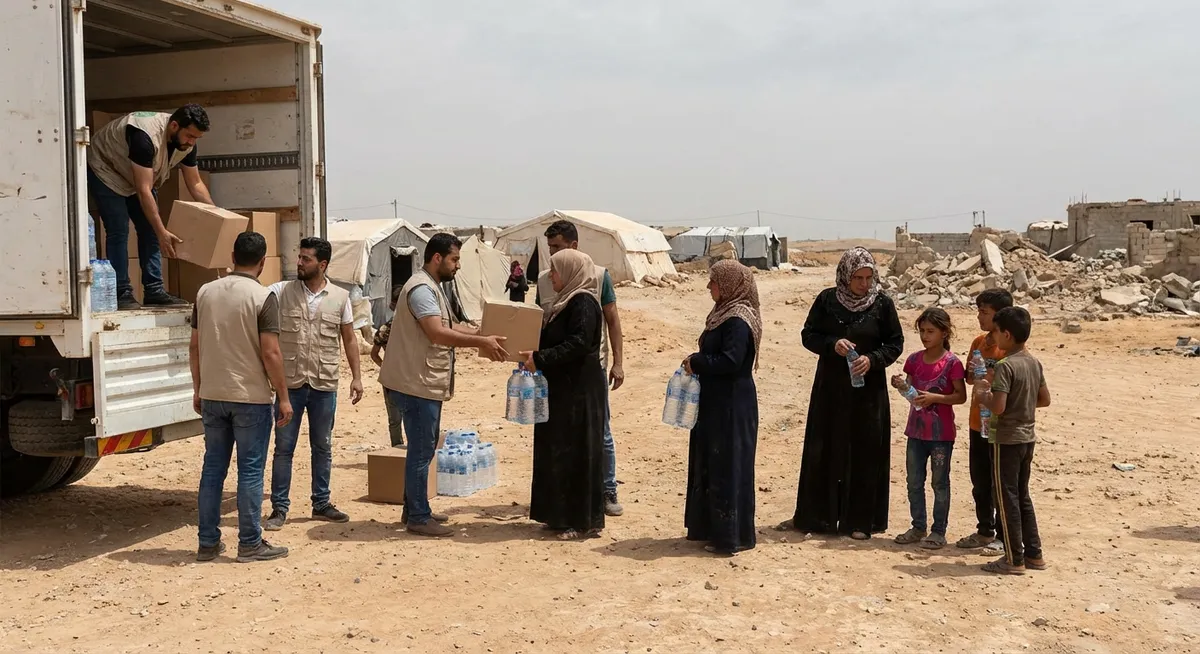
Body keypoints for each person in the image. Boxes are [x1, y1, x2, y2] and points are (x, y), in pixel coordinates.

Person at [378, 233, 508, 536]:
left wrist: (479, 332)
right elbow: (437, 333)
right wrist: (479, 342)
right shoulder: (423, 289)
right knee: (422, 451)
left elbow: (447, 326)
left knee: (421, 450)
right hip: (416, 382)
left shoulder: (431, 286)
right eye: (454, 259)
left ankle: (414, 509)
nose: (458, 266)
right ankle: (419, 518)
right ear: (437, 258)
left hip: (421, 380)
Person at [781, 247, 903, 540]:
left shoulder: (882, 305)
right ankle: (818, 517)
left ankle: (860, 521)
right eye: (858, 278)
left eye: (868, 277)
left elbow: (895, 342)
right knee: (824, 447)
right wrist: (832, 344)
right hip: (831, 390)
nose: (863, 284)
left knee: (865, 451)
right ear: (845, 276)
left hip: (868, 393)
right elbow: (808, 335)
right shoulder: (827, 300)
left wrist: (872, 360)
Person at [189, 232, 291, 563]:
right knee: (249, 471)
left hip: (213, 395)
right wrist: (284, 397)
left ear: (232, 255)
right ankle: (249, 542)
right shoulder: (263, 297)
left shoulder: (204, 292)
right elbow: (271, 352)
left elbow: (194, 346)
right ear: (263, 262)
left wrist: (198, 387)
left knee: (212, 468)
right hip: (250, 397)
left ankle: (207, 543)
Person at [263, 237, 365, 531]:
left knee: (322, 446)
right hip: (290, 386)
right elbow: (255, 297)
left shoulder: (341, 297)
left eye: (306, 259)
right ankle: (279, 508)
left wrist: (357, 377)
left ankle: (321, 503)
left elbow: (349, 339)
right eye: (299, 257)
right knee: (284, 448)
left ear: (322, 265)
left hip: (324, 385)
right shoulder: (281, 291)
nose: (299, 262)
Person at [535, 220, 626, 517]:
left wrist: (618, 363)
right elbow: (540, 321)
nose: (552, 255)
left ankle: (607, 489)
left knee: (599, 432)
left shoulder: (599, 277)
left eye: (558, 248)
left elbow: (612, 320)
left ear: (573, 246)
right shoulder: (544, 279)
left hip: (590, 368)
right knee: (563, 433)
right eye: (550, 248)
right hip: (558, 370)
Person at [88, 104, 213, 310]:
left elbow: (195, 183)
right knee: (119, 230)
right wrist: (161, 230)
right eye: (190, 136)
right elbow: (144, 189)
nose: (192, 142)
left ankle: (154, 290)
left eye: (196, 138)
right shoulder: (144, 137)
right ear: (174, 126)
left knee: (151, 232)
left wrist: (216, 213)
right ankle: (121, 292)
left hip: (137, 177)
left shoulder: (186, 144)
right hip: (107, 170)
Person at [520, 249, 607, 540]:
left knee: (576, 450)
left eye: (555, 271)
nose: (552, 277)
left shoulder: (582, 302)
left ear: (571, 272)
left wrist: (541, 359)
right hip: (562, 388)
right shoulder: (563, 302)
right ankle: (558, 515)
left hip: (579, 390)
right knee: (558, 448)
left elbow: (580, 343)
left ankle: (579, 520)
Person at [682, 260, 761, 555]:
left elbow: (731, 361)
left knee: (729, 465)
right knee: (712, 462)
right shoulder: (721, 314)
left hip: (732, 404)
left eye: (713, 282)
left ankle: (731, 537)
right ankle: (710, 529)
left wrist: (697, 362)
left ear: (729, 285)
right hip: (716, 401)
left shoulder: (738, 319)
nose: (709, 287)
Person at [976, 307, 1052, 575]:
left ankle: (1013, 558)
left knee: (1006, 497)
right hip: (1027, 437)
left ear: (1006, 335)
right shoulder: (1033, 362)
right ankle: (1034, 554)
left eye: (995, 331)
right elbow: (1044, 399)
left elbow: (997, 407)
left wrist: (983, 395)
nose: (992, 336)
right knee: (1022, 495)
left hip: (1005, 438)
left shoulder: (1005, 366)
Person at [891, 308, 966, 550]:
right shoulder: (914, 360)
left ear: (944, 333)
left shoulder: (952, 363)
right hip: (915, 431)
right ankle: (918, 526)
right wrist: (902, 386)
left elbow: (960, 396)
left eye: (930, 331)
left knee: (939, 483)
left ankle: (938, 530)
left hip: (941, 434)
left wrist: (935, 397)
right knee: (914, 481)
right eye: (922, 331)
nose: (925, 336)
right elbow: (912, 396)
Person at [956, 289, 1013, 552]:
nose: (979, 317)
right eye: (978, 311)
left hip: (1000, 426)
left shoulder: (1010, 347)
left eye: (984, 313)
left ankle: (1004, 534)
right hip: (978, 422)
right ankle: (984, 530)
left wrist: (991, 374)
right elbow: (970, 379)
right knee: (980, 481)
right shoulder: (979, 343)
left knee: (1000, 482)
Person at [372, 286, 406, 447]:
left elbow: (374, 354)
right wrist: (386, 367)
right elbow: (374, 353)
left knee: (397, 419)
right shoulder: (387, 329)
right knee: (397, 419)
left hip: (401, 378)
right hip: (398, 378)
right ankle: (398, 453)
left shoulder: (387, 328)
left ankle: (400, 451)